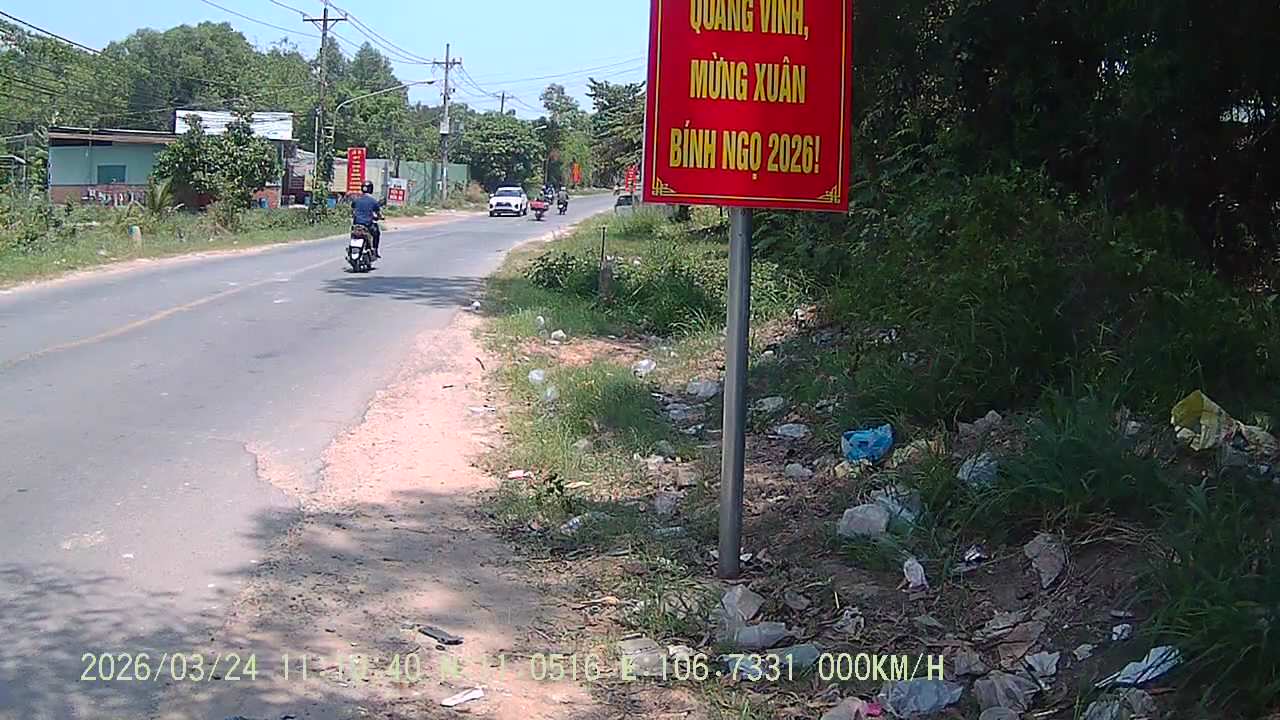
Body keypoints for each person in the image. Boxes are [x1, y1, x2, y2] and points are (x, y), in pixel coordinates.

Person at [351, 181, 383, 258]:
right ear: (371, 189)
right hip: (367, 225)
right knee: (376, 233)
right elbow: (378, 214)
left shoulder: (356, 200)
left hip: (356, 225)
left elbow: (352, 211)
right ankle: (375, 250)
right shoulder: (373, 201)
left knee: (353, 233)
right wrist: (380, 217)